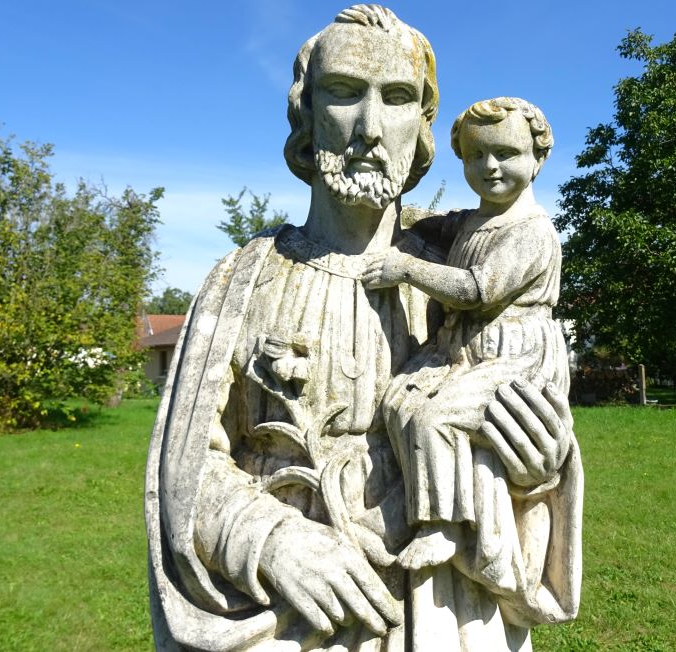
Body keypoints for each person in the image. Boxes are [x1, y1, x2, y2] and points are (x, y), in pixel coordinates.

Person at [145, 7, 581, 651]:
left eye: (398, 98)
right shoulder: (241, 278)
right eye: (346, 92)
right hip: (298, 610)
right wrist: (272, 540)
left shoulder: (452, 267)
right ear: (307, 113)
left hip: (443, 608)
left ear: (424, 127)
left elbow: (528, 427)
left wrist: (540, 467)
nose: (371, 128)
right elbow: (183, 468)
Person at [363, 97, 569, 588]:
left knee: (438, 416)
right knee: (398, 401)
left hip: (513, 358)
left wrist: (407, 268)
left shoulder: (533, 231)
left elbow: (479, 289)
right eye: (476, 157)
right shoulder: (471, 220)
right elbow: (430, 226)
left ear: (538, 159)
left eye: (506, 154)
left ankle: (447, 526)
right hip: (462, 350)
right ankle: (408, 506)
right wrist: (409, 237)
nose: (489, 167)